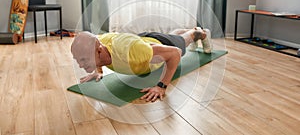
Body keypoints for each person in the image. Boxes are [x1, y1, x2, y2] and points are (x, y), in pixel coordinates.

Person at [71, 27, 212, 102]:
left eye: (83, 60)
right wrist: (98, 70)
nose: (80, 65)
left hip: (154, 45)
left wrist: (161, 86)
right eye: (78, 60)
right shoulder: (98, 44)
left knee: (184, 40)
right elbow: (94, 44)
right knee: (171, 36)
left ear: (100, 51)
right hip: (142, 39)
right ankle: (181, 32)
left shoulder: (130, 52)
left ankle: (200, 32)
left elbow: (174, 53)